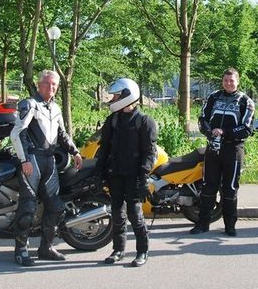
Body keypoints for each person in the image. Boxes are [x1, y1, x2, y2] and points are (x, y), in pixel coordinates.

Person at [9, 70, 82, 266]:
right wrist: (24, 160)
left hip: (49, 161)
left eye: (54, 84)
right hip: (32, 160)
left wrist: (75, 152)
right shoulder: (29, 104)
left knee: (56, 206)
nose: (51, 87)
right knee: (28, 206)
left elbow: (62, 134)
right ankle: (21, 250)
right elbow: (17, 133)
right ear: (39, 84)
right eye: (48, 84)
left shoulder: (55, 107)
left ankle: (46, 248)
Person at [95, 78, 158, 267]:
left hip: (134, 176)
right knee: (117, 214)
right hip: (115, 174)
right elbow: (104, 148)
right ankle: (118, 250)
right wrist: (99, 173)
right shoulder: (112, 120)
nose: (112, 99)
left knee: (135, 214)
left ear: (127, 95)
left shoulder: (145, 121)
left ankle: (142, 251)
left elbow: (149, 153)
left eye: (115, 96)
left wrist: (144, 178)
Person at [190, 67, 255, 237]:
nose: (228, 83)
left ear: (237, 81)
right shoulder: (213, 97)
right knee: (208, 187)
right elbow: (202, 119)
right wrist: (210, 132)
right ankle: (202, 224)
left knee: (230, 188)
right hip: (213, 148)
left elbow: (247, 128)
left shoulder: (246, 101)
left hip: (233, 150)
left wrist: (224, 132)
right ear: (222, 81)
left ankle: (230, 226)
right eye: (226, 80)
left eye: (231, 80)